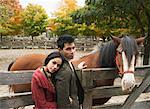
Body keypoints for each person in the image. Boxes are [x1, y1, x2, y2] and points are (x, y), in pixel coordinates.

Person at [55, 34, 85, 109]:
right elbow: (63, 99)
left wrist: (78, 68)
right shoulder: (63, 70)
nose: (72, 51)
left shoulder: (68, 63)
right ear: (60, 50)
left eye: (73, 48)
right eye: (68, 49)